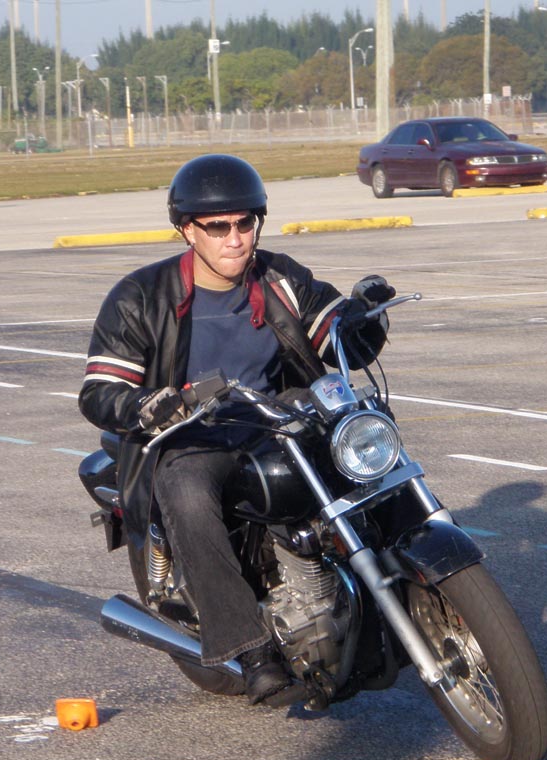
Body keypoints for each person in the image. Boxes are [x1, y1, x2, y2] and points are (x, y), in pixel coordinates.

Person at [79, 154, 392, 704]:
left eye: (245, 223)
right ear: (187, 230)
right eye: (217, 227)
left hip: (273, 417)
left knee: (361, 445)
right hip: (192, 432)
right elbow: (100, 390)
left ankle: (388, 580)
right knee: (186, 489)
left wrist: (362, 319)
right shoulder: (140, 297)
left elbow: (330, 332)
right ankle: (251, 649)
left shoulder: (280, 278)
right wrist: (148, 405)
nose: (234, 238)